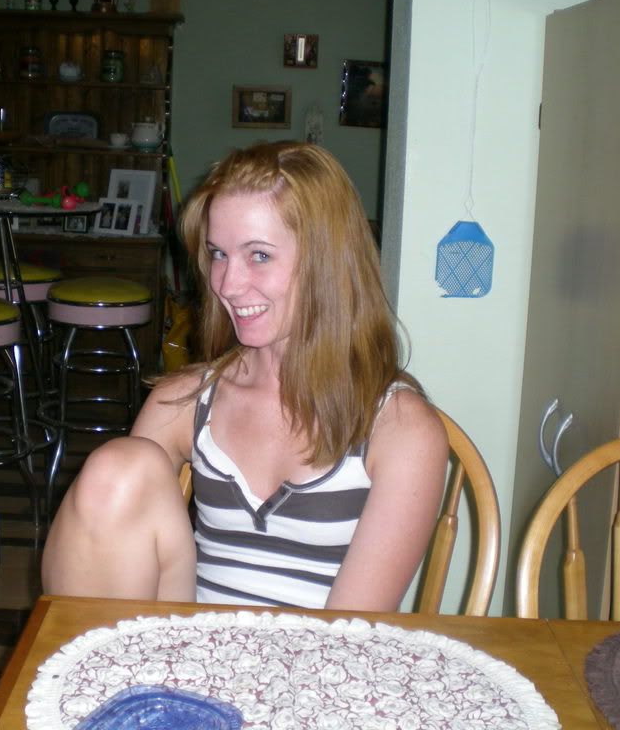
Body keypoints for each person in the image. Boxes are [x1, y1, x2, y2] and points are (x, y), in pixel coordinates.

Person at [42, 141, 447, 612]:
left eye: (259, 255)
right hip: (190, 646)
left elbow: (349, 633)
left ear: (328, 262)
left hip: (323, 653)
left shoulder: (399, 428)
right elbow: (100, 547)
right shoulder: (189, 401)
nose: (227, 285)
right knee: (116, 468)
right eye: (218, 254)